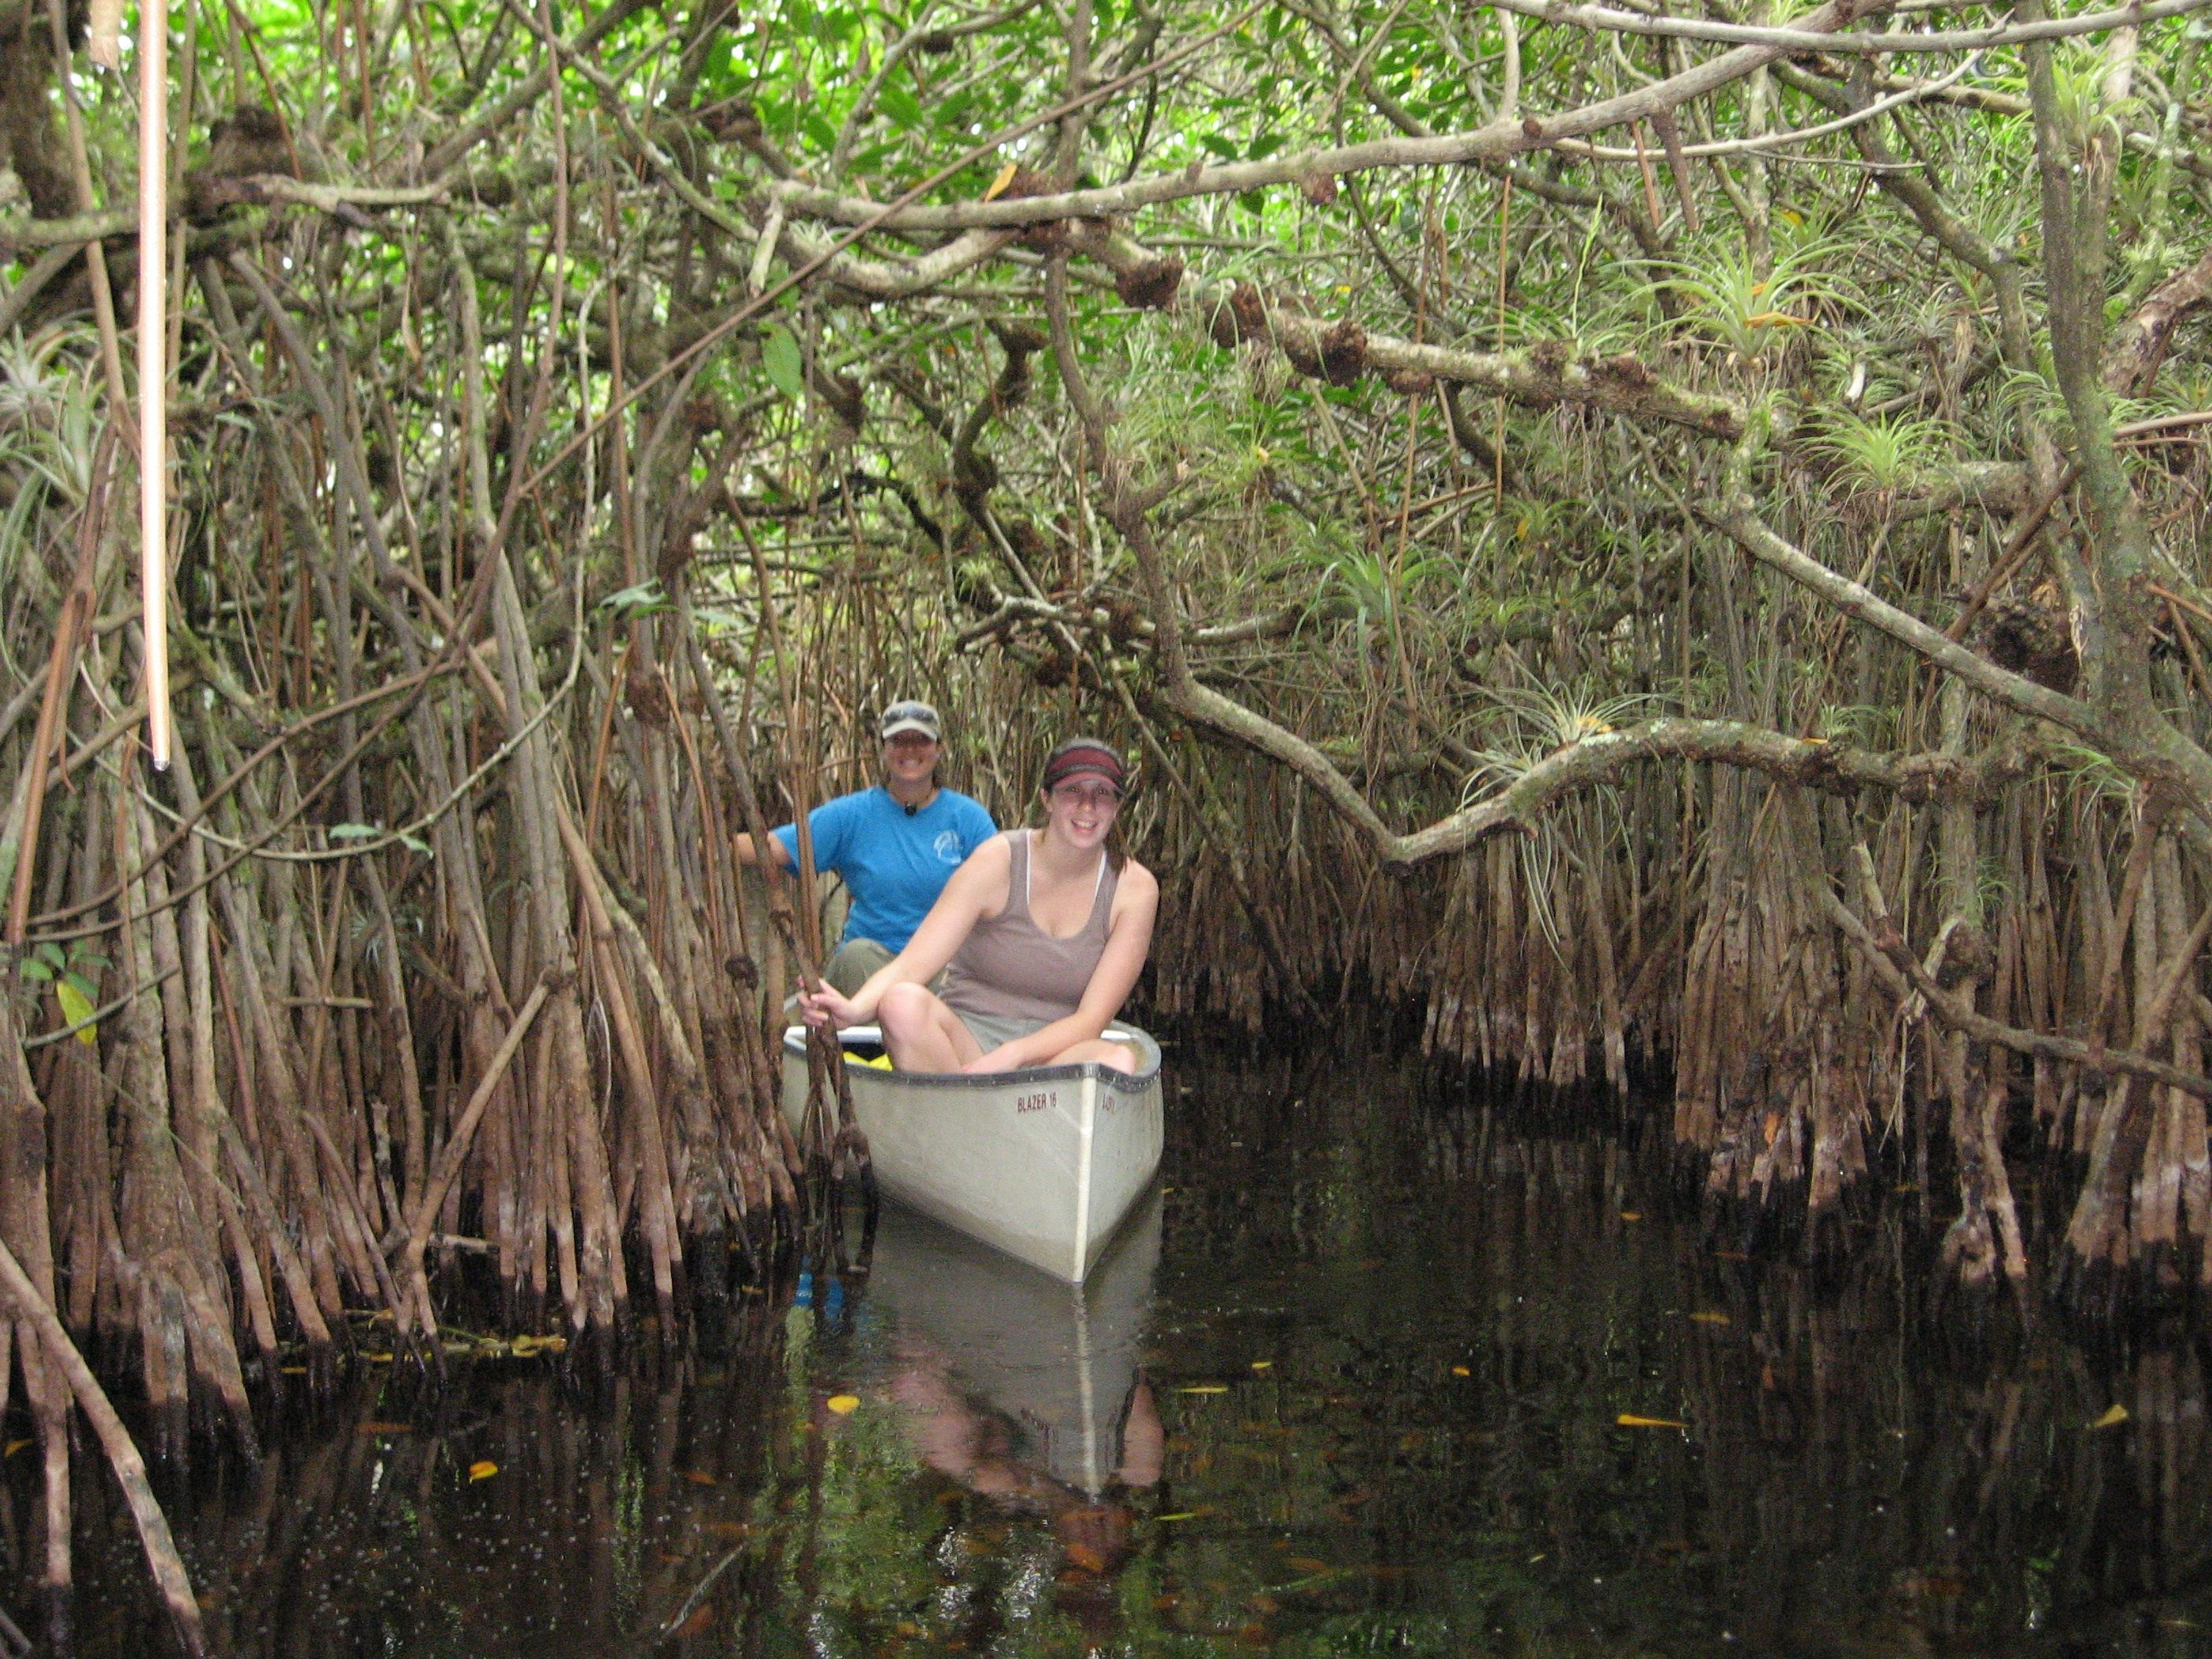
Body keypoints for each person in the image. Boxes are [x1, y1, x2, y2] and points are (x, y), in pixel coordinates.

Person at [800, 737, 1158, 1074]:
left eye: (1103, 795)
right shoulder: (997, 861)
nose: (1087, 807)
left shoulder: (1135, 890)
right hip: (966, 1045)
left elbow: (1091, 1021)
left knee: (1117, 1061)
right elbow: (912, 966)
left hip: (1058, 1056)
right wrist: (854, 1010)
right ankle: (958, 1107)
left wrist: (1013, 1056)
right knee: (901, 1004)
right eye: (1073, 792)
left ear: (1117, 807)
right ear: (1047, 799)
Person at [735, 700, 997, 996]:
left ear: (939, 749)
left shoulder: (969, 819)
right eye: (899, 741)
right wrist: (710, 845)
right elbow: (775, 847)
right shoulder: (853, 815)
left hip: (944, 966)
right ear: (884, 750)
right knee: (855, 956)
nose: (910, 751)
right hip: (871, 965)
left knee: (961, 979)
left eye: (921, 740)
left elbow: (1003, 885)